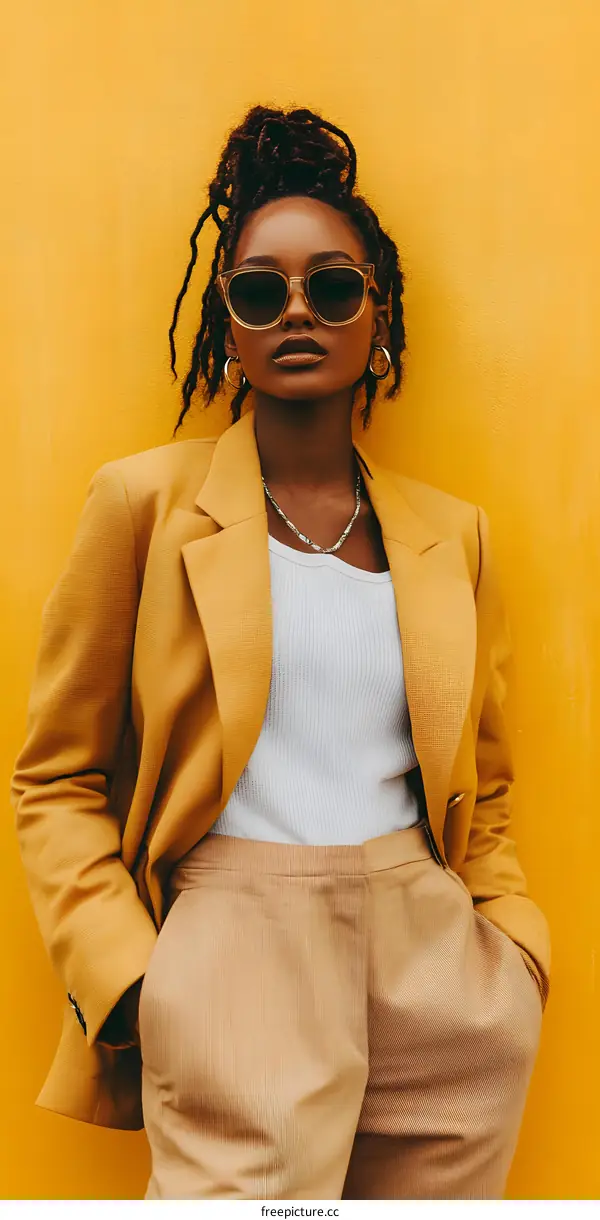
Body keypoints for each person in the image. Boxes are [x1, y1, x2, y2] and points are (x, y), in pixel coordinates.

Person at [10, 104, 551, 1201]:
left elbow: (482, 788)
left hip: (439, 980)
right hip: (230, 958)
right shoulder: (142, 507)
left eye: (333, 287)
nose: (298, 309)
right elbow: (54, 776)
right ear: (228, 324)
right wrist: (138, 983)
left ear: (377, 311)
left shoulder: (454, 535)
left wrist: (513, 953)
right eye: (261, 291)